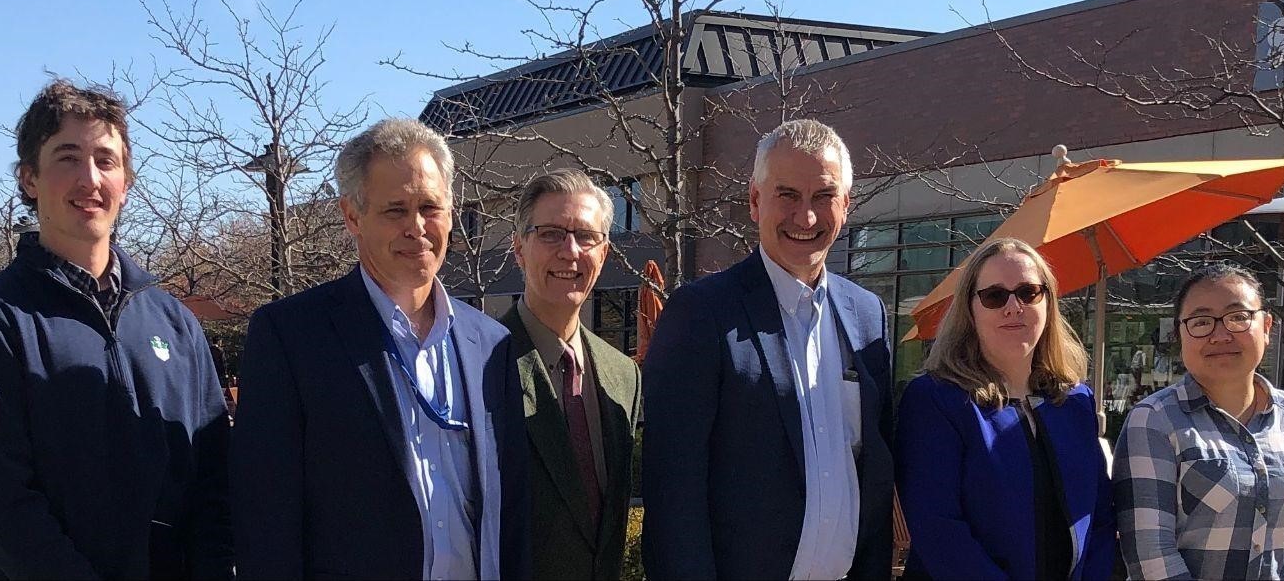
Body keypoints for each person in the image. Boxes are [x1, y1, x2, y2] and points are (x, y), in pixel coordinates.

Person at [0, 80, 231, 579]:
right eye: (68, 158)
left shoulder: (175, 322)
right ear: (30, 178)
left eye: (106, 160)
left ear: (127, 180)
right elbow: (2, 503)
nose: (89, 179)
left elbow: (213, 481)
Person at [232, 118, 528, 580]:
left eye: (431, 207)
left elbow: (509, 511)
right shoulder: (291, 336)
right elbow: (266, 516)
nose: (417, 227)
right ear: (352, 215)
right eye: (395, 210)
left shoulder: (491, 345)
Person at [642, 118, 895, 581]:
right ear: (755, 201)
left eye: (823, 196)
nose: (807, 217)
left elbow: (873, 474)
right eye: (788, 196)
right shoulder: (701, 314)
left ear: (846, 205)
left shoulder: (867, 316)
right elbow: (672, 492)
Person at [895, 238, 1114, 579]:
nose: (1014, 306)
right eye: (995, 296)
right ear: (970, 309)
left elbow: (1100, 517)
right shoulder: (936, 399)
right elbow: (937, 527)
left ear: (1048, 303)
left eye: (1028, 292)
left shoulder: (1075, 402)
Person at [1115, 263, 1284, 580]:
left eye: (1238, 318)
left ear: (1266, 326)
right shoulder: (1155, 420)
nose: (1220, 335)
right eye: (1201, 322)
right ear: (1180, 334)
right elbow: (1150, 554)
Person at [499, 170, 639, 580]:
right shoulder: (482, 365)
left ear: (605, 253)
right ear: (519, 248)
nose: (570, 251)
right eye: (550, 234)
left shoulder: (623, 375)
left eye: (586, 236)